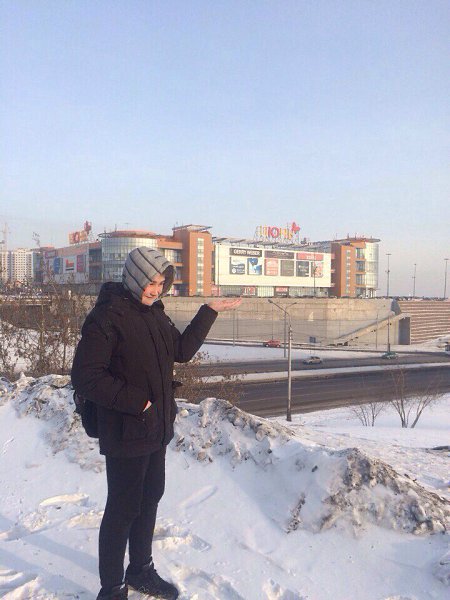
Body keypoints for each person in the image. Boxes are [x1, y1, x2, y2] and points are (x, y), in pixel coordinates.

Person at [71, 247, 241, 600]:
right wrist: (138, 402)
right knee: (123, 509)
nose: (156, 289)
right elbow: (87, 377)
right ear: (135, 278)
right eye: (152, 282)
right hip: (125, 430)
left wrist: (209, 311)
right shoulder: (107, 317)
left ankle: (140, 570)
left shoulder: (155, 313)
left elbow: (181, 351)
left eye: (162, 283)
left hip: (155, 428)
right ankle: (112, 588)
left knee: (149, 499)